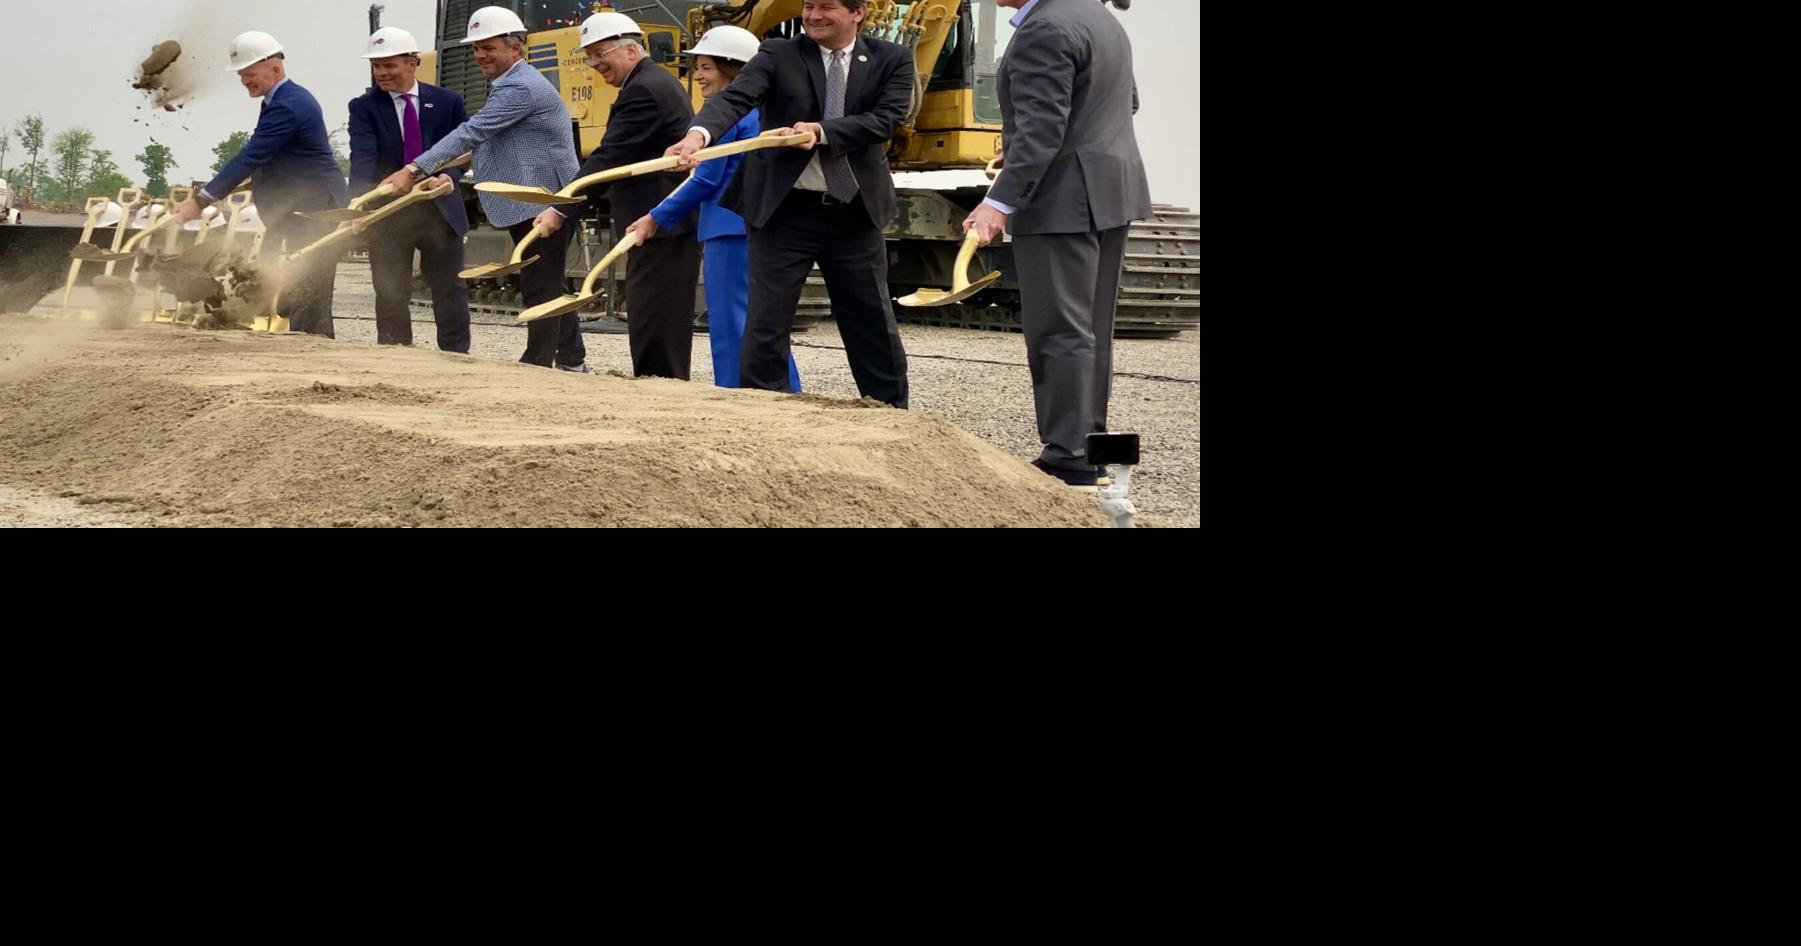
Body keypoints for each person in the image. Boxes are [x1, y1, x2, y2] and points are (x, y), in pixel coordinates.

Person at [667, 0, 913, 406]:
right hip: (784, 211)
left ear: (858, 12)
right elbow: (734, 99)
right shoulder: (778, 54)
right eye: (808, 6)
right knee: (765, 322)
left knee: (870, 320)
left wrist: (822, 131)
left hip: (854, 211)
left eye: (826, 7)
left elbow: (886, 119)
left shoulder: (892, 59)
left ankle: (891, 413)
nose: (813, 16)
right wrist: (697, 136)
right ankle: (763, 413)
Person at [962, 0, 1152, 486]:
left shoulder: (1043, 28)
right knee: (1091, 332)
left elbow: (1043, 129)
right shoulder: (1099, 17)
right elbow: (1124, 102)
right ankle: (1092, 446)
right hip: (1112, 191)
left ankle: (1068, 457)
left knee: (1059, 332)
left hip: (1063, 200)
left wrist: (998, 203)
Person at [383, 6, 585, 371]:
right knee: (547, 281)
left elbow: (472, 132)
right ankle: (572, 361)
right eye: (476, 48)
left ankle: (537, 365)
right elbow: (487, 142)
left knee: (541, 286)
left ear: (515, 47)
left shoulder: (520, 87)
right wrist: (449, 166)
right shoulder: (511, 84)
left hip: (542, 199)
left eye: (488, 47)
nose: (479, 56)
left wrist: (412, 169)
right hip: (532, 198)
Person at [625, 26, 801, 391]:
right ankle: (784, 393)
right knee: (762, 321)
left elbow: (706, 180)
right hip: (757, 225)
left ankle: (738, 396)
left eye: (707, 67)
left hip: (728, 228)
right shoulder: (760, 112)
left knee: (730, 321)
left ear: (733, 69)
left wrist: (655, 218)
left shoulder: (724, 116)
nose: (699, 76)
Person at [536, 12, 700, 380]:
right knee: (656, 315)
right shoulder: (650, 82)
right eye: (589, 57)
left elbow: (610, 157)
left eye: (599, 54)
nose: (594, 65)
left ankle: (661, 390)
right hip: (660, 224)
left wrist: (562, 210)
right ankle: (661, 385)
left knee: (656, 317)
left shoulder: (644, 90)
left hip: (659, 224)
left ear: (630, 50)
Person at [176, 31, 350, 338]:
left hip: (315, 210)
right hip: (295, 210)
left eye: (249, 73)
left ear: (275, 68)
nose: (244, 80)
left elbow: (252, 154)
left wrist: (202, 200)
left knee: (310, 288)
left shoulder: (289, 105)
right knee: (293, 286)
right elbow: (275, 154)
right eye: (241, 75)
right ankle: (305, 340)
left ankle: (314, 352)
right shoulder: (279, 99)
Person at [346, 27, 472, 352]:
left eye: (389, 65)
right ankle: (395, 359)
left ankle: (457, 359)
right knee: (390, 293)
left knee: (450, 291)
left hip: (440, 211)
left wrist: (450, 177)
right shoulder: (364, 107)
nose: (381, 73)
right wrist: (357, 205)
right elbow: (362, 159)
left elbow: (464, 151)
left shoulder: (447, 102)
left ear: (412, 63)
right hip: (389, 214)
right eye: (376, 66)